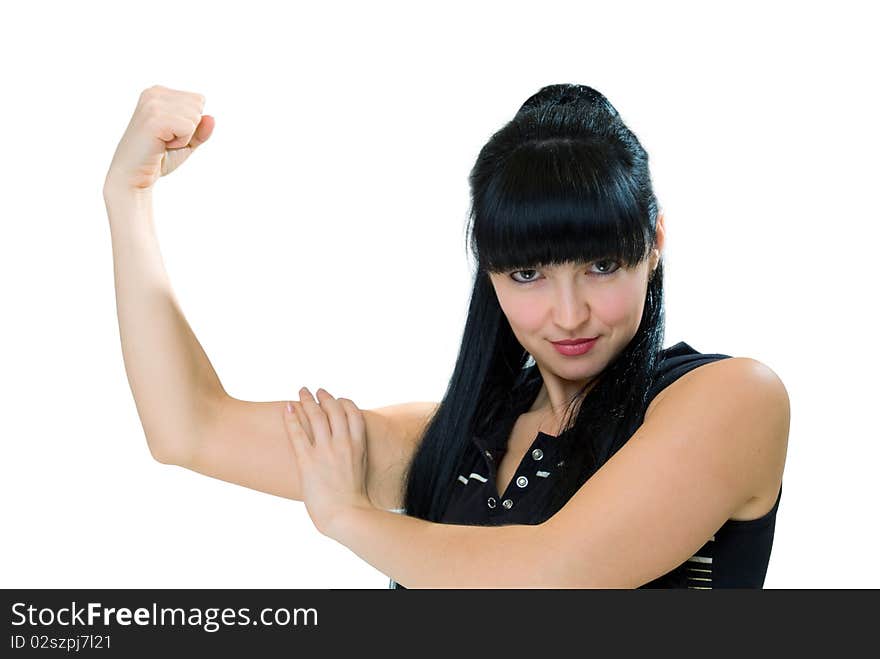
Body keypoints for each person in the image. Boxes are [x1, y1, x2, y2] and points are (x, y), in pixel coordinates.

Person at [104, 83, 789, 589]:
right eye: (528, 274)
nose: (570, 312)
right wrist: (128, 196)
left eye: (602, 265)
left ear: (656, 243)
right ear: (489, 273)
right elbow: (188, 427)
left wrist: (348, 517)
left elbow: (551, 577)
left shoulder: (731, 400)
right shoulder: (454, 439)